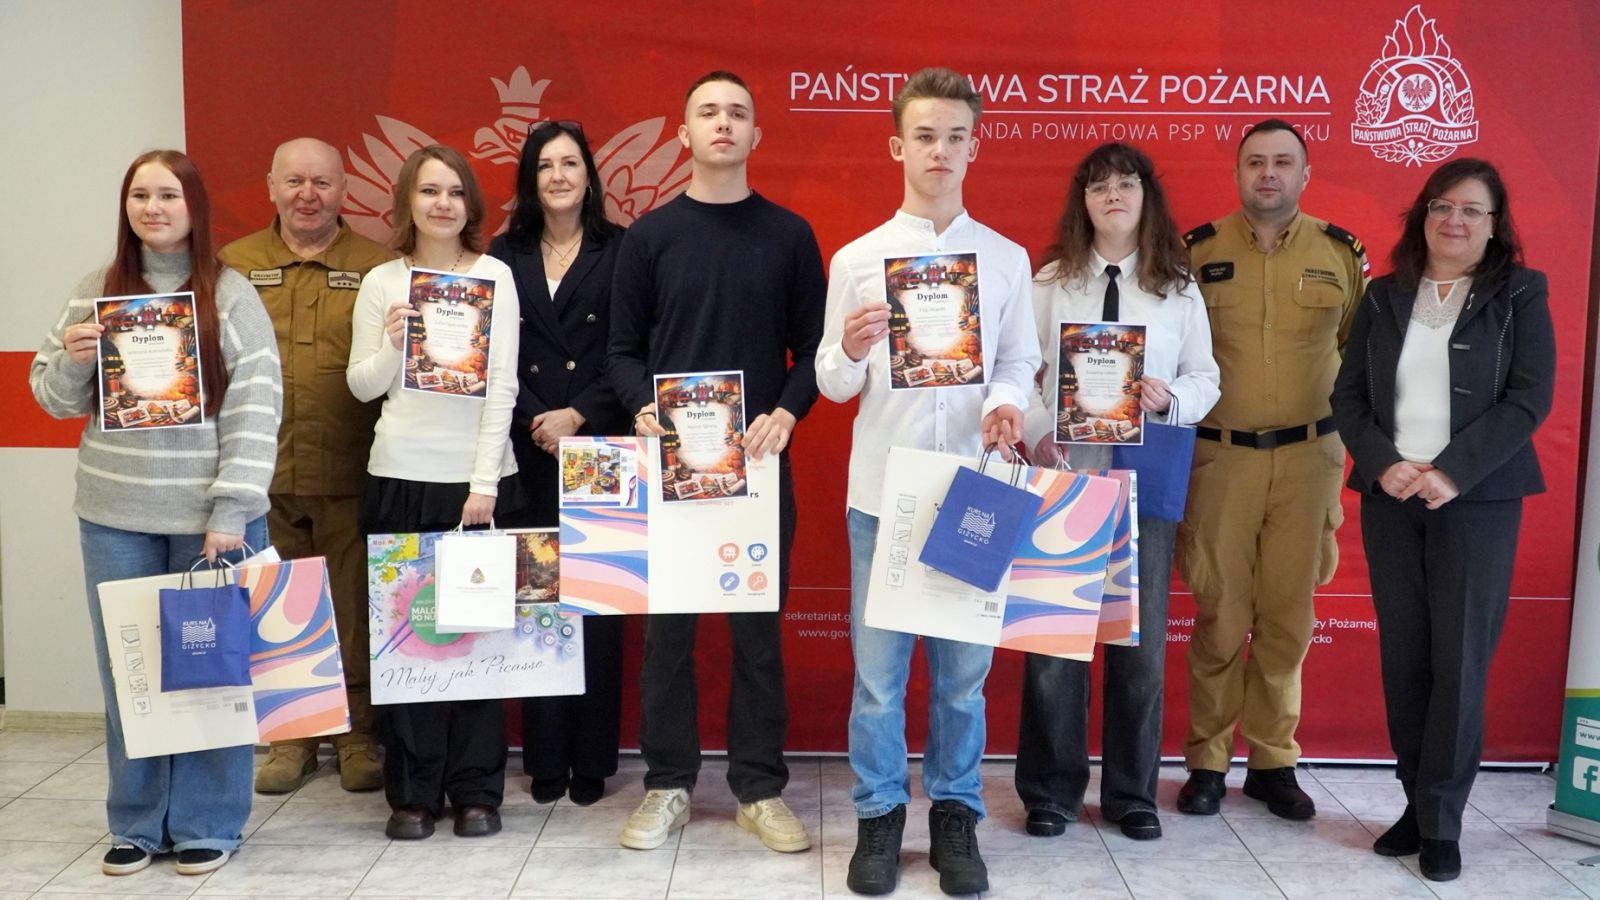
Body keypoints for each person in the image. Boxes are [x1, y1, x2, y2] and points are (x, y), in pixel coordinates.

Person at [815, 66, 1038, 896]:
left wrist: (1007, 403)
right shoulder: (859, 259)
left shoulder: (1005, 259)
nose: (939, 151)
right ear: (896, 147)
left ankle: (955, 813)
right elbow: (833, 382)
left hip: (974, 492)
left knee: (963, 683)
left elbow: (1019, 359)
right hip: (883, 497)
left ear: (975, 147)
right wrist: (851, 348)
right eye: (924, 136)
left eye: (954, 137)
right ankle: (878, 815)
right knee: (878, 685)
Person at [30, 149, 282, 877]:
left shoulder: (230, 294)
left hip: (211, 522)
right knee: (131, 677)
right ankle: (138, 822)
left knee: (210, 675)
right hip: (115, 516)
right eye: (140, 195)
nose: (153, 208)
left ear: (194, 206)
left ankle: (208, 821)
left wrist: (232, 508)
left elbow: (257, 408)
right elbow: (52, 398)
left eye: (168, 195)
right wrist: (75, 358)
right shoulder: (96, 291)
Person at [607, 70, 825, 854]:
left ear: (756, 135)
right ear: (684, 134)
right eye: (708, 112)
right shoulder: (650, 237)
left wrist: (787, 412)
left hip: (758, 465)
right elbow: (620, 352)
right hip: (671, 467)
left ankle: (759, 790)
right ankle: (667, 785)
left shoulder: (789, 235)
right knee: (667, 637)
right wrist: (639, 405)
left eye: (737, 113)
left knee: (757, 636)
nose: (723, 123)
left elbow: (815, 352)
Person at [1331, 159, 1552, 882]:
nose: (1454, 221)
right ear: (1422, 214)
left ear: (1494, 226)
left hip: (1477, 500)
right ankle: (1413, 802)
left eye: (1472, 210)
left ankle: (1444, 821)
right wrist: (1382, 463)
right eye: (1441, 206)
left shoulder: (1520, 293)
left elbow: (1529, 398)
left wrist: (1452, 471)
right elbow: (1348, 395)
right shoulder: (1385, 294)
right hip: (1392, 497)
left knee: (1459, 661)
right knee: (1407, 658)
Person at [1013, 143, 1219, 843]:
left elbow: (1207, 378)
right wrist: (1038, 429)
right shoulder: (1051, 282)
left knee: (1141, 643)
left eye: (1126, 185)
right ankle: (1051, 791)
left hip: (1144, 476)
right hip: (1064, 476)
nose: (1113, 196)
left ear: (1146, 198)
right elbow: (1021, 369)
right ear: (1083, 201)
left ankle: (1132, 793)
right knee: (1055, 640)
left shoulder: (1176, 288)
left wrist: (1170, 399)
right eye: (1099, 187)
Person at [1177, 119, 1367, 819]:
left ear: (1304, 174)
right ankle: (1207, 760)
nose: (1268, 173)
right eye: (1255, 162)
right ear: (1237, 173)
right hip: (1220, 458)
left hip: (1309, 460)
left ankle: (1272, 761)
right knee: (1220, 614)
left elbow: (1357, 352)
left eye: (1283, 162)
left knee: (1289, 616)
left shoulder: (1340, 253)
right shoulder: (1196, 253)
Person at [346, 144, 522, 840]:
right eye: (428, 191)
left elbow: (502, 387)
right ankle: (414, 793)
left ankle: (476, 790)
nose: (442, 203)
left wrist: (483, 485)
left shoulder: (494, 277)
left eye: (454, 191)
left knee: (475, 643)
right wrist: (394, 343)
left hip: (475, 486)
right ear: (407, 203)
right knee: (407, 644)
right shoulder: (383, 282)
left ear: (469, 204)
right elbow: (362, 385)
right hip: (398, 477)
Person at [219, 138, 393, 794]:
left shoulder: (378, 268)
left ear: (344, 189)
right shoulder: (232, 266)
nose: (307, 195)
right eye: (294, 181)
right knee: (277, 607)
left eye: (321, 182)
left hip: (351, 470)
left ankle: (357, 733)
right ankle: (292, 737)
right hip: (262, 473)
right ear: (271, 186)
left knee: (353, 607)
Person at [489, 120, 628, 806]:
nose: (559, 176)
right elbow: (492, 353)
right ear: (530, 179)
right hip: (529, 444)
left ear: (589, 176)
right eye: (545, 165)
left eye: (570, 163)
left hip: (599, 445)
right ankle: (545, 758)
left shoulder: (622, 249)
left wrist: (579, 413)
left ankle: (593, 760)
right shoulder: (502, 254)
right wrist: (540, 416)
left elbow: (631, 346)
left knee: (599, 602)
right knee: (538, 603)